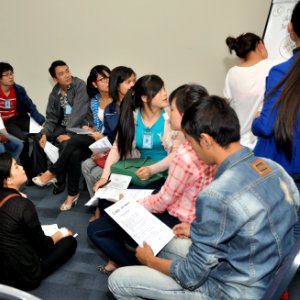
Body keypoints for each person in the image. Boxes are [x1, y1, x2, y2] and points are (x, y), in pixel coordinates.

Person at [108, 96, 300, 300]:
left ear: (206, 140)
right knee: (165, 244)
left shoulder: (216, 194)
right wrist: (196, 230)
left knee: (118, 281)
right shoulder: (273, 168)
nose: (192, 149)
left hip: (229, 290)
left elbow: (191, 276)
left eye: (191, 142)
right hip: (265, 274)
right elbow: (289, 227)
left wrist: (149, 261)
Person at [88, 84, 215, 274]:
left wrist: (132, 203)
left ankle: (138, 267)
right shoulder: (210, 142)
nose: (168, 113)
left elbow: (163, 201)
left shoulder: (185, 154)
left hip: (175, 217)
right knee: (111, 203)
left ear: (185, 115)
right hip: (188, 211)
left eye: (171, 110)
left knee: (96, 230)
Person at [0, 153, 77, 290]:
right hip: (18, 279)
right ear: (8, 181)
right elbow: (44, 246)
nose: (22, 167)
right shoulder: (22, 205)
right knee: (70, 242)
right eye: (16, 167)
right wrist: (61, 233)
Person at [92, 75, 184, 214]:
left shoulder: (172, 117)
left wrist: (152, 169)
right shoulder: (132, 116)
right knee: (105, 200)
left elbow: (176, 154)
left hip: (163, 174)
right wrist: (104, 177)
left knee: (131, 204)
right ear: (145, 98)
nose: (165, 93)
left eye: (164, 89)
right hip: (136, 171)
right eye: (159, 91)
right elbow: (117, 147)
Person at [252, 2, 300, 194]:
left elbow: (266, 125)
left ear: (290, 27)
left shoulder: (281, 72)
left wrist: (256, 120)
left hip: (284, 167)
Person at [33, 60, 93, 210]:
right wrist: (45, 133)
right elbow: (52, 117)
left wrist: (69, 134)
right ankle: (45, 174)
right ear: (55, 79)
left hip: (79, 126)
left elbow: (79, 113)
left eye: (67, 71)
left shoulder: (79, 85)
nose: (67, 75)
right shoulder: (55, 92)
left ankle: (56, 175)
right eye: (61, 74)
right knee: (38, 137)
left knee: (67, 144)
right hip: (62, 126)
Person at [82, 66, 136, 204]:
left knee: (95, 173)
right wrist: (100, 150)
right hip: (112, 148)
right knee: (86, 164)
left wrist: (106, 148)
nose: (133, 85)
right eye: (129, 82)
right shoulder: (110, 108)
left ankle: (102, 206)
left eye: (134, 81)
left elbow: (125, 142)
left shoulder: (134, 107)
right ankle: (97, 203)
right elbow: (109, 135)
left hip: (127, 154)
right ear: (117, 85)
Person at [0, 62, 47, 178]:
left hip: (19, 118)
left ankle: (41, 170)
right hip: (5, 121)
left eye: (11, 73)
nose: (11, 77)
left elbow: (30, 106)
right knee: (23, 140)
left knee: (42, 134)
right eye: (7, 75)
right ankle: (28, 172)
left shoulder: (18, 89)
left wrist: (41, 121)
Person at [223, 32, 278, 149]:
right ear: (260, 45)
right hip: (262, 141)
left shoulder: (232, 73)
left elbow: (227, 107)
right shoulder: (275, 66)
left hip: (239, 143)